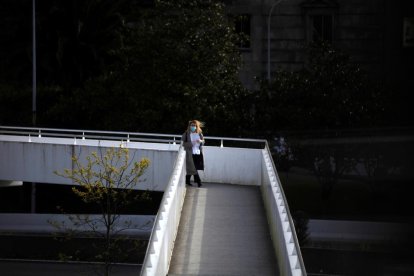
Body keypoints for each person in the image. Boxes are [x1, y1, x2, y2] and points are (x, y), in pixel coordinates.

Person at [182, 120, 205, 187]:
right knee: (193, 167)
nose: (193, 127)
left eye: (194, 125)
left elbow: (203, 141)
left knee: (193, 167)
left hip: (197, 153)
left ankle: (187, 180)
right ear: (189, 126)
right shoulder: (186, 134)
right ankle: (199, 182)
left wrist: (200, 141)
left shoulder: (199, 133)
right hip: (189, 153)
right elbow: (183, 144)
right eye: (191, 125)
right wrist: (191, 143)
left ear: (196, 126)